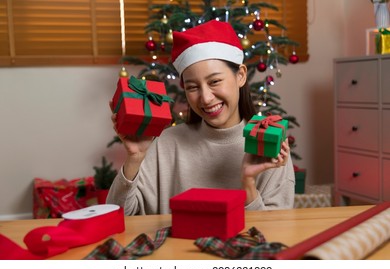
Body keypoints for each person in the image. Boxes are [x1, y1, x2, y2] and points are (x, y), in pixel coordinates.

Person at [107, 20, 295, 215]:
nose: (205, 98)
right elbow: (119, 218)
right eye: (192, 87)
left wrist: (248, 184)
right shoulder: (164, 143)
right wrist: (135, 159)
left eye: (215, 81)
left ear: (240, 75)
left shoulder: (268, 144)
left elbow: (275, 234)